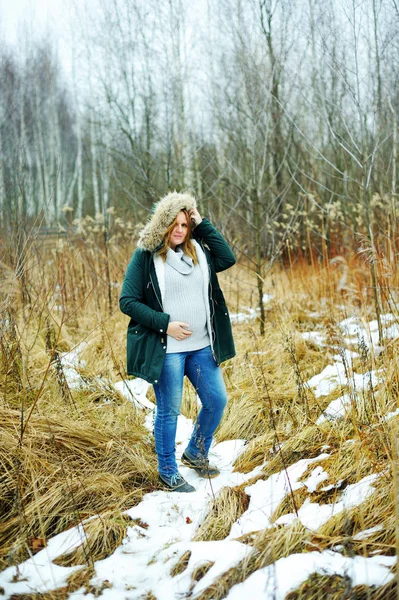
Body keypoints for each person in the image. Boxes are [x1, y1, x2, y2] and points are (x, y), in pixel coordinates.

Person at [119, 192, 236, 492]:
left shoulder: (199, 251)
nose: (180, 230)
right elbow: (127, 301)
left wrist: (201, 221)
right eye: (174, 224)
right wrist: (166, 325)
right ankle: (167, 471)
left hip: (200, 347)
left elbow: (228, 257)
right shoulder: (145, 257)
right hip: (168, 350)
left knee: (216, 400)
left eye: (185, 224)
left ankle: (196, 452)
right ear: (163, 225)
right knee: (169, 410)